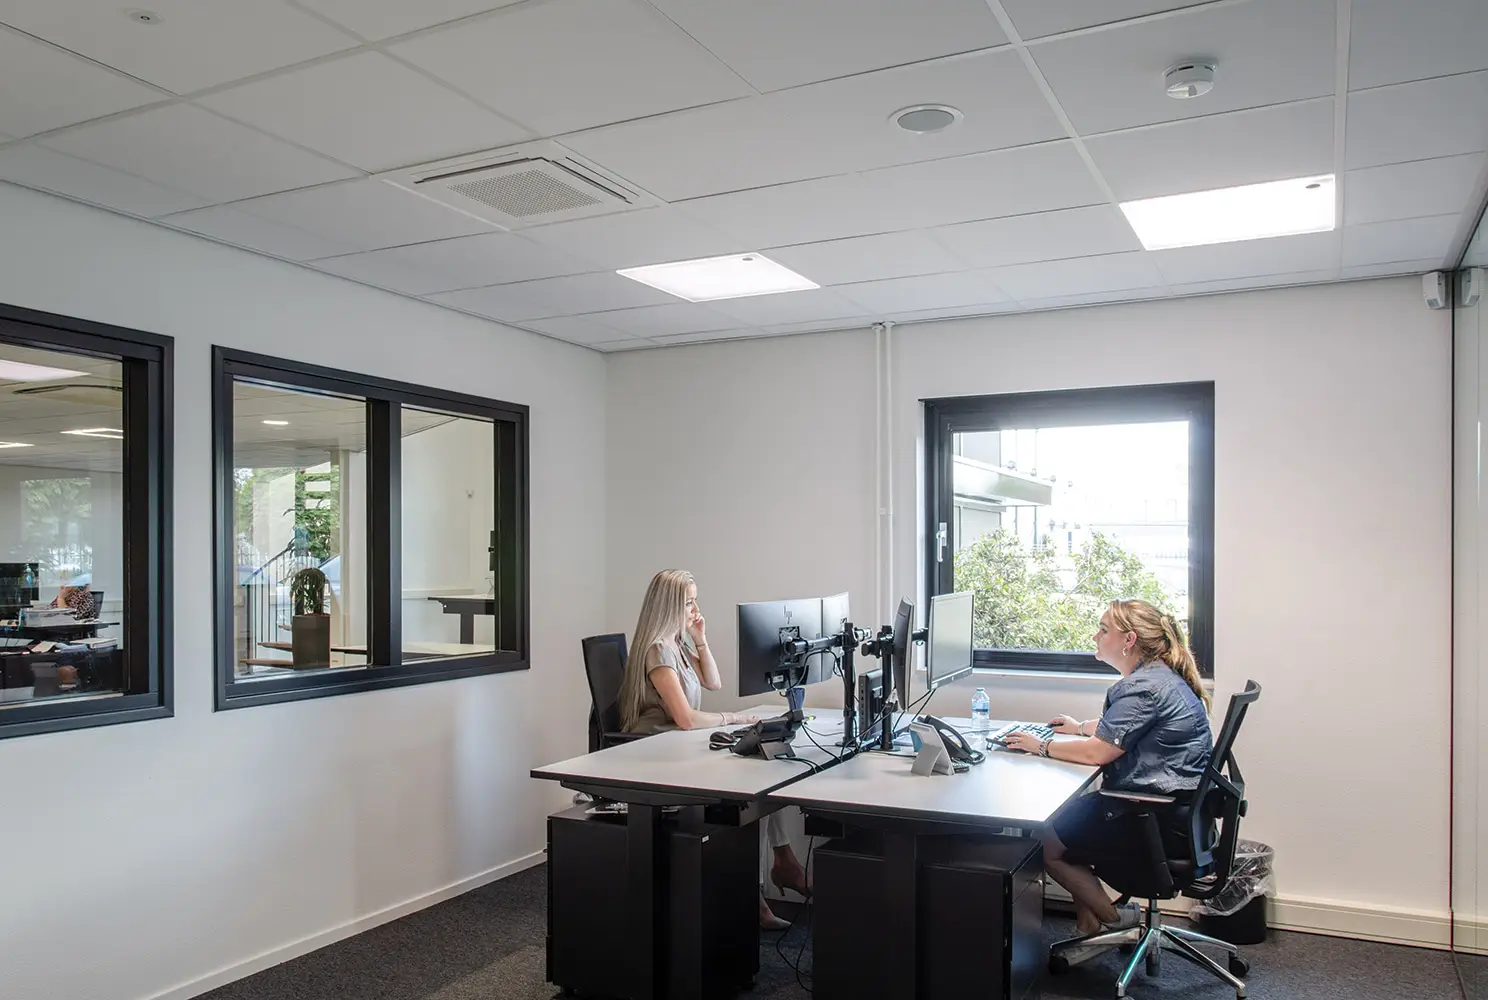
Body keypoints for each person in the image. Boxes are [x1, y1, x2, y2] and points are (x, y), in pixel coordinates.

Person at [1002, 599, 1213, 946]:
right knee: (1070, 818)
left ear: (1129, 640)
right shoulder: (1161, 678)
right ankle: (1089, 927)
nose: (1095, 637)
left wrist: (1039, 745)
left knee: (1045, 839)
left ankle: (1115, 921)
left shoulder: (1142, 688)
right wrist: (1079, 727)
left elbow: (1097, 753)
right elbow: (1128, 727)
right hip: (1179, 816)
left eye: (1103, 630)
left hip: (1151, 819)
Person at [620, 569, 812, 931]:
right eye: (688, 603)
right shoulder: (658, 650)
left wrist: (700, 639)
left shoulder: (676, 645)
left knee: (765, 767)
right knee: (751, 784)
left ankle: (779, 865)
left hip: (679, 746)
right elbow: (686, 719)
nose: (696, 609)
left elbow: (713, 681)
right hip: (655, 753)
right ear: (669, 606)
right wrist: (733, 717)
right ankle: (760, 890)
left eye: (696, 601)